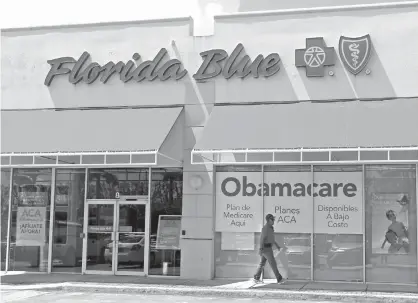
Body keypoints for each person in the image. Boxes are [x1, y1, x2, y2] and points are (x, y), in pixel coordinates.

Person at [253, 214, 284, 284]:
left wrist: (277, 246)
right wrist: (261, 249)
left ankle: (256, 277)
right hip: (265, 249)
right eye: (272, 219)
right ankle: (279, 278)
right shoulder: (265, 228)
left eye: (273, 219)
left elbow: (272, 239)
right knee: (273, 263)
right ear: (268, 220)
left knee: (262, 263)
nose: (273, 221)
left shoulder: (271, 228)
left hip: (268, 248)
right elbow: (262, 239)